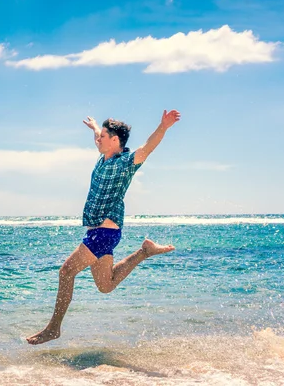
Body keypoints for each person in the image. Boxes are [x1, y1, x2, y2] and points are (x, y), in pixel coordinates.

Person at [26, 109, 181, 345]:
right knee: (106, 285)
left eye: (103, 137)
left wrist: (163, 127)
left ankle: (53, 328)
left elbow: (147, 148)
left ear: (115, 140)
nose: (98, 140)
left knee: (66, 272)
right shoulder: (103, 158)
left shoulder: (125, 163)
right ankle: (144, 252)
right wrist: (97, 127)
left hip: (104, 232)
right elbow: (100, 135)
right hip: (100, 232)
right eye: (99, 137)